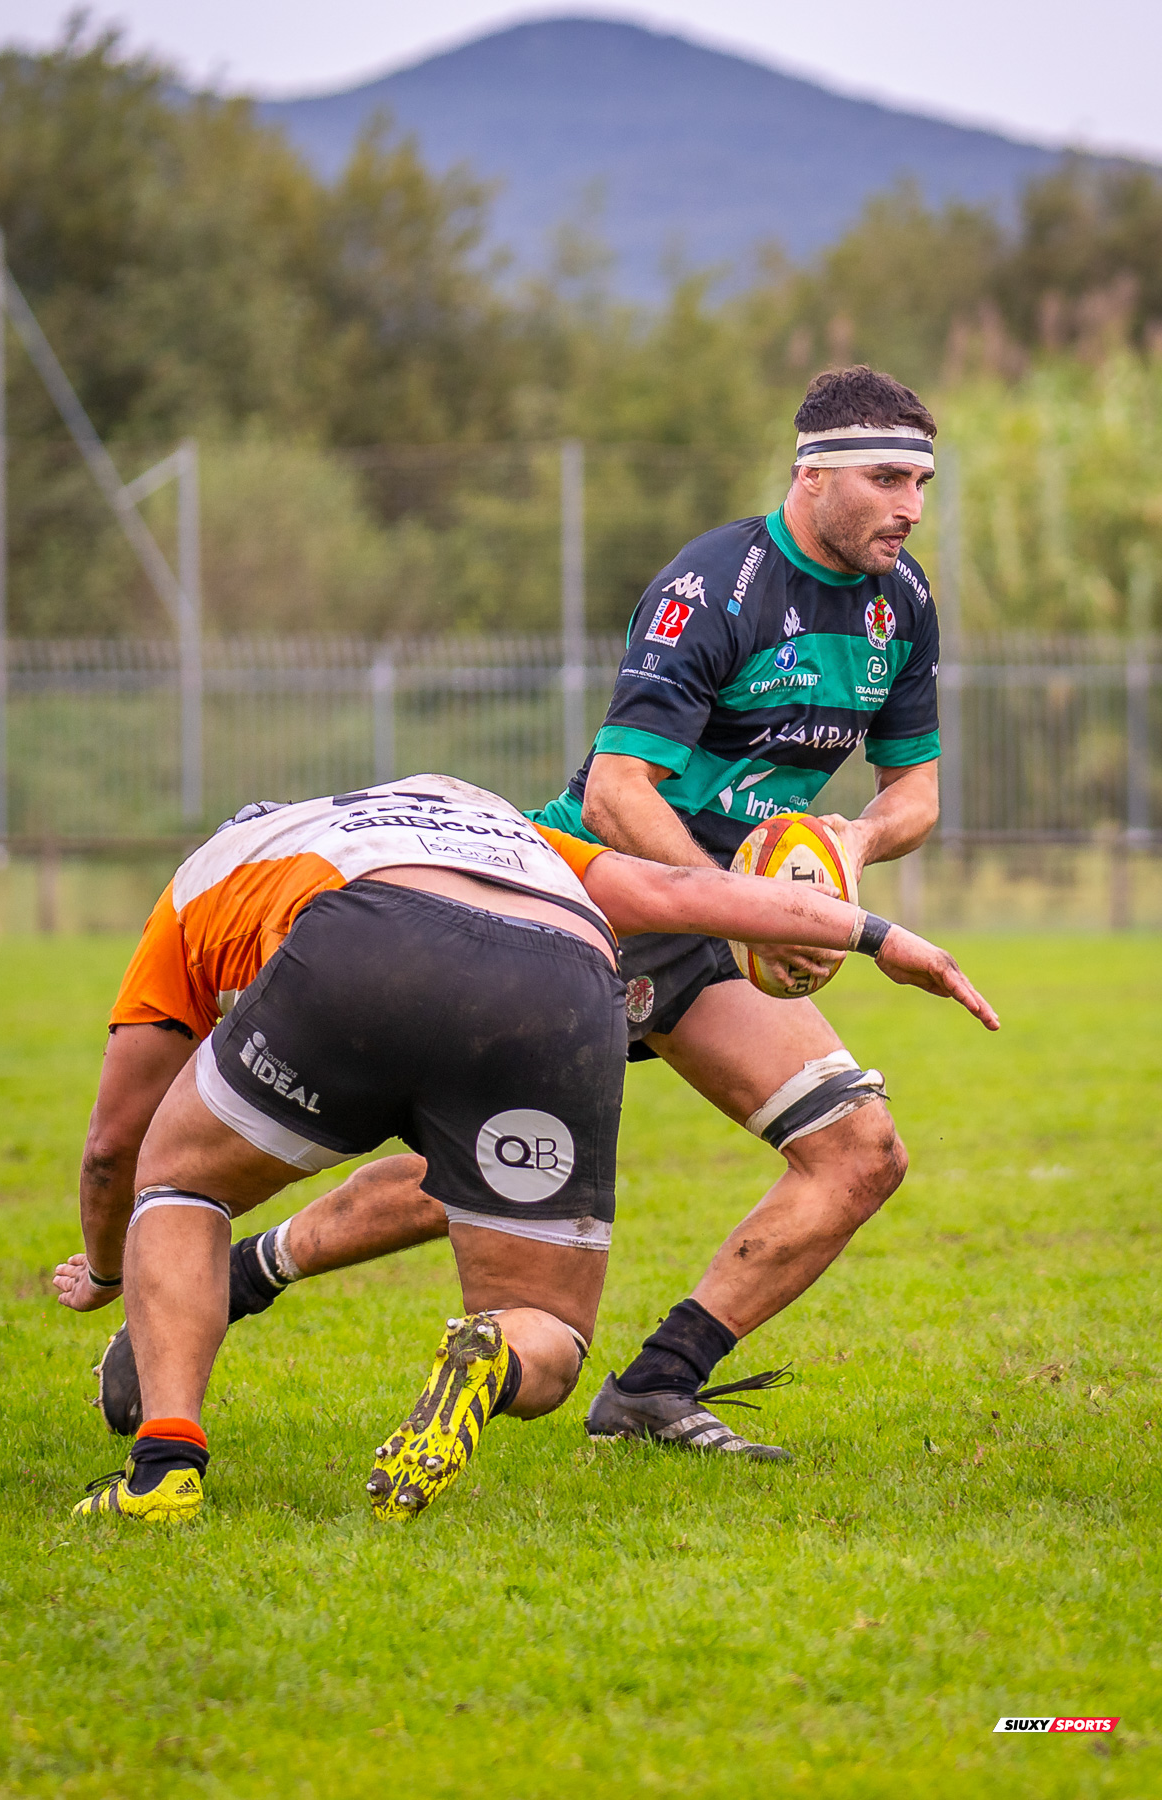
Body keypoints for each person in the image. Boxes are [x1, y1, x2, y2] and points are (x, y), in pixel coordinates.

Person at [63, 775, 995, 1521]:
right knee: (547, 1328)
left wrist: (110, 1268)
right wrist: (880, 936)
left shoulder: (214, 870)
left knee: (180, 1187)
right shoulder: (500, 827)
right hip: (560, 981)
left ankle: (166, 1470)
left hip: (361, 950)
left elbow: (114, 1143)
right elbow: (684, 892)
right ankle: (495, 1357)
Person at [531, 364, 954, 1455]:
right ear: (811, 474)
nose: (909, 506)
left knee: (861, 1150)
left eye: (922, 481)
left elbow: (916, 790)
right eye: (886, 477)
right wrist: (736, 912)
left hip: (719, 920)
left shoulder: (899, 605)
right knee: (473, 1172)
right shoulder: (716, 587)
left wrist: (854, 841)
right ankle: (238, 1270)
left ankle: (655, 1389)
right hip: (595, 895)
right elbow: (623, 792)